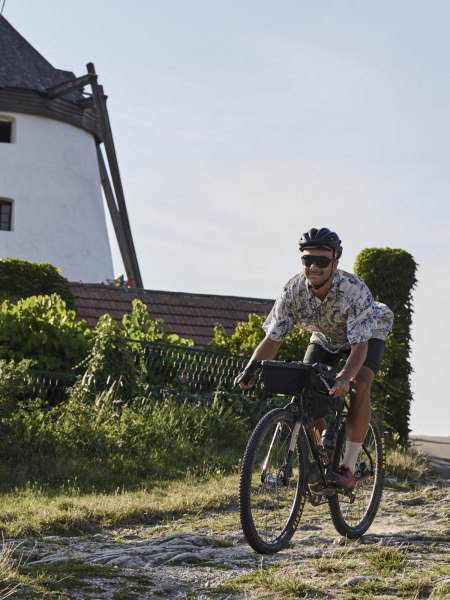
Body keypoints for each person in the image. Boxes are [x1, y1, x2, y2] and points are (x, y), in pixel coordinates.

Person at [235, 227, 394, 489]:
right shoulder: (293, 290)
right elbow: (274, 338)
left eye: (322, 261)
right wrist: (250, 369)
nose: (314, 267)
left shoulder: (354, 291)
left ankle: (348, 468)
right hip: (325, 337)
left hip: (367, 333)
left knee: (359, 384)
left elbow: (359, 348)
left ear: (335, 262)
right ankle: (325, 455)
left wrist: (344, 377)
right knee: (306, 386)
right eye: (308, 260)